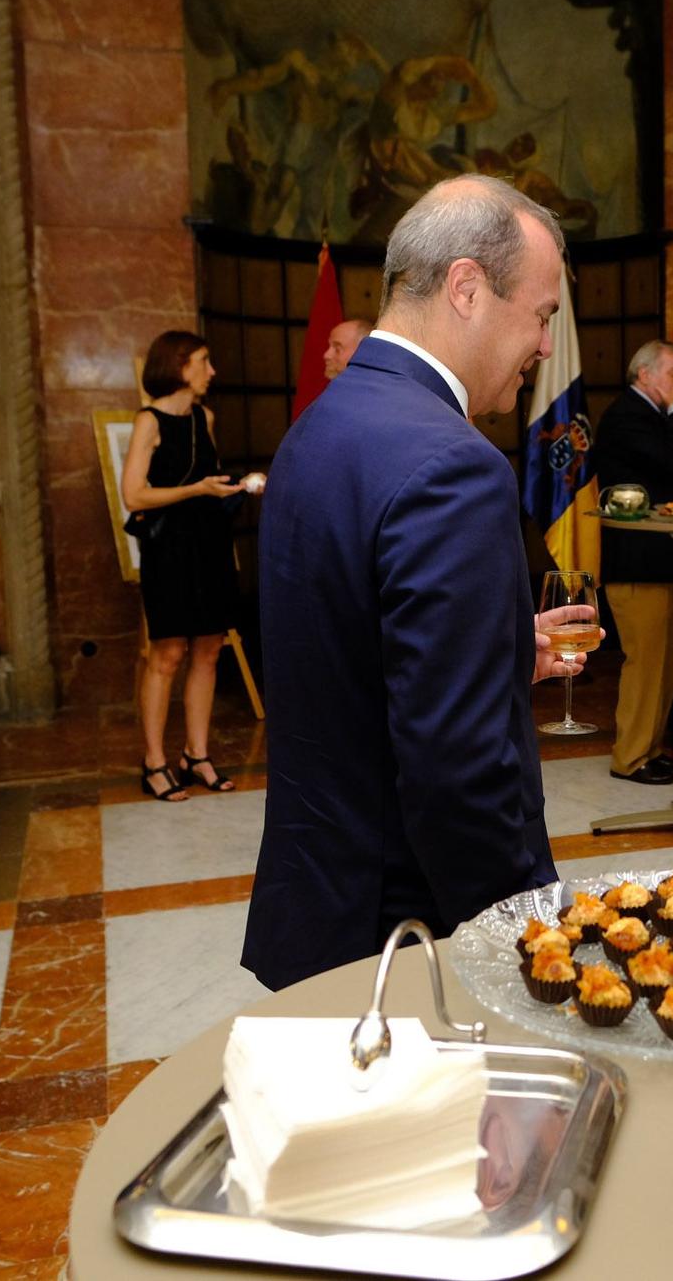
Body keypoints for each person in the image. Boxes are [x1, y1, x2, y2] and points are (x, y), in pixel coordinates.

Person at [242, 174, 583, 991]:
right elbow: (458, 772)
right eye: (541, 315)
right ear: (467, 287)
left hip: (322, 898)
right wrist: (524, 939)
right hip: (411, 932)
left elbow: (348, 647)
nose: (545, 347)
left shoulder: (321, 425)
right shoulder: (453, 465)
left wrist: (493, 654)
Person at [121, 331, 247, 802]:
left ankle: (196, 754)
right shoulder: (147, 422)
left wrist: (231, 489)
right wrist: (197, 491)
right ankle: (153, 761)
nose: (211, 371)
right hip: (169, 549)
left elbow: (205, 479)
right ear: (178, 366)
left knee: (210, 651)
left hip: (209, 544)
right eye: (204, 361)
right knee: (167, 655)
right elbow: (133, 495)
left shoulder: (205, 417)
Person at [595, 339, 673, 783]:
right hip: (637, 562)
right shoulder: (626, 415)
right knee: (645, 662)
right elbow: (670, 461)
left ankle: (652, 746)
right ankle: (630, 756)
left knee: (667, 663)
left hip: (668, 558)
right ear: (645, 375)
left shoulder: (661, 417)